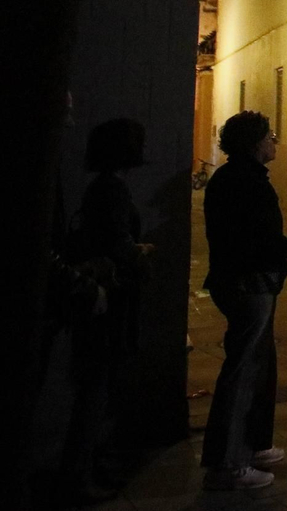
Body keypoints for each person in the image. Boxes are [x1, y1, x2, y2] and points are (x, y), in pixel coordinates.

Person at [200, 113, 287, 491]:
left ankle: (253, 444)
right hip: (249, 283)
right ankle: (228, 462)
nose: (274, 141)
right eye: (269, 136)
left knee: (257, 363)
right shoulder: (247, 182)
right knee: (243, 368)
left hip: (242, 280)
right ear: (255, 143)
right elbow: (257, 239)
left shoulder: (233, 178)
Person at [62, 118, 153, 497]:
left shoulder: (102, 187)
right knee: (97, 387)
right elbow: (118, 242)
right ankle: (80, 475)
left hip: (105, 298)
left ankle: (90, 467)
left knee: (98, 387)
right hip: (107, 300)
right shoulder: (111, 191)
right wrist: (139, 251)